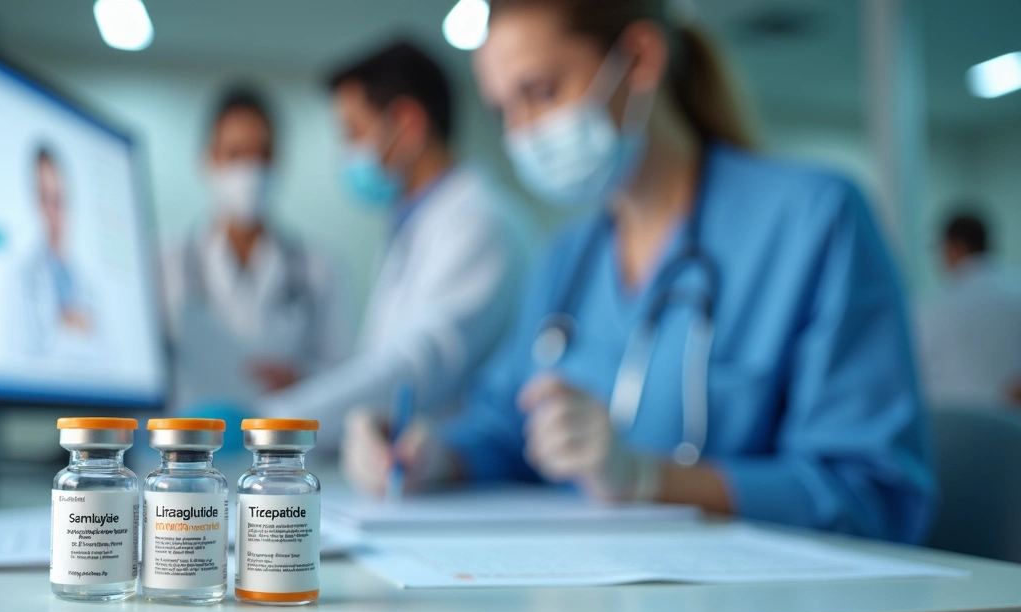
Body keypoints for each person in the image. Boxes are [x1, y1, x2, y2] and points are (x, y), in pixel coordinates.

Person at [342, 0, 934, 543]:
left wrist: (646, 480)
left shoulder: (814, 219)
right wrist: (431, 454)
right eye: (505, 109)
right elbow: (504, 424)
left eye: (542, 91)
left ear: (642, 59)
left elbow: (873, 494)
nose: (521, 132)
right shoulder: (566, 260)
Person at [260, 41, 531, 449]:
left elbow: (416, 368)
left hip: (463, 479)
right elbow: (383, 362)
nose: (346, 152)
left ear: (406, 123)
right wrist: (312, 385)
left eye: (353, 132)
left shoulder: (478, 221)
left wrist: (272, 421)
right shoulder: (414, 226)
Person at [163, 85, 346, 406]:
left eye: (261, 155)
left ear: (278, 161)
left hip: (282, 448)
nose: (250, 170)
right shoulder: (166, 262)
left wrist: (303, 379)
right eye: (235, 154)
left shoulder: (319, 265)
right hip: (190, 447)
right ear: (209, 160)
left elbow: (342, 377)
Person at [915, 209, 1021, 407]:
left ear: (956, 247)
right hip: (1014, 429)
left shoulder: (933, 306)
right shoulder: (1017, 292)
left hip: (952, 428)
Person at [8, 145, 101, 359]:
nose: (53, 213)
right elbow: (17, 354)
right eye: (45, 200)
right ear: (36, 202)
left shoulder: (90, 284)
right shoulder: (21, 275)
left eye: (59, 200)